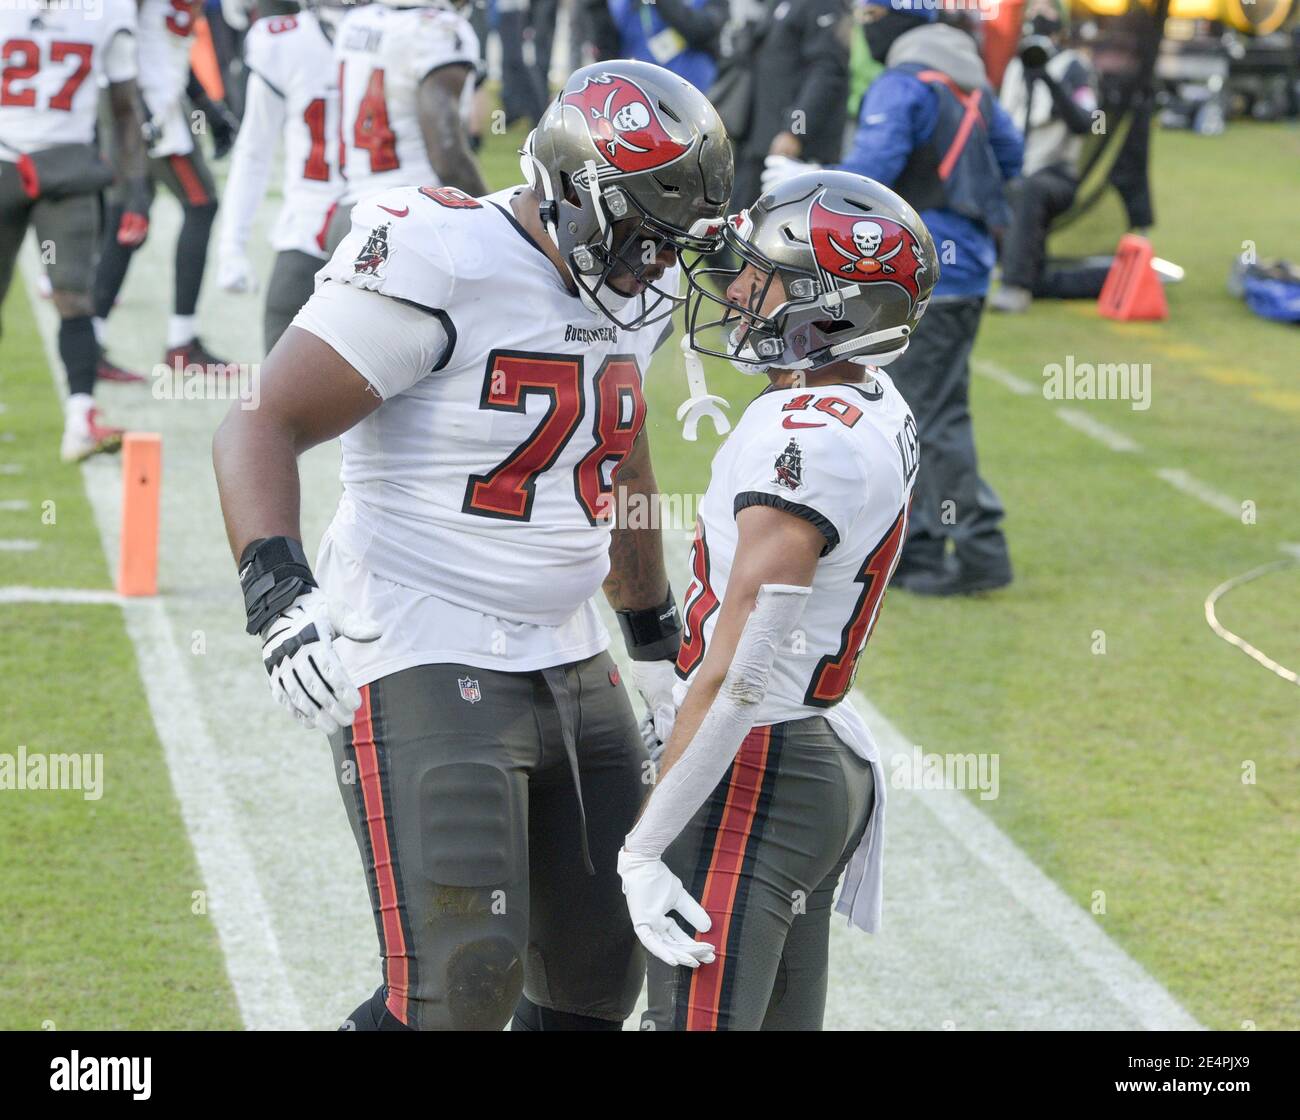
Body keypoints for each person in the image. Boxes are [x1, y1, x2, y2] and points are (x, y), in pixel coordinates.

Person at [212, 60, 733, 1031]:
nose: (657, 267)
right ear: (568, 192)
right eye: (640, 238)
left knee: (600, 970)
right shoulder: (441, 251)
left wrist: (654, 639)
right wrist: (279, 596)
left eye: (673, 245)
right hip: (418, 634)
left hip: (568, 647)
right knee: (460, 983)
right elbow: (259, 422)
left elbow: (615, 450)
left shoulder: (638, 289)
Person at [620, 169, 936, 1030]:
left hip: (756, 766)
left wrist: (644, 848)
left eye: (765, 277)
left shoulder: (811, 443)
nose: (737, 290)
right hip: (804, 756)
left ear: (832, 308)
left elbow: (741, 674)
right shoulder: (858, 400)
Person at [767, 0, 1022, 595]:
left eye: (871, 15)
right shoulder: (972, 82)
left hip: (919, 274)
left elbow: (867, 178)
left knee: (926, 414)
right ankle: (937, 543)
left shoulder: (902, 83)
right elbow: (1011, 158)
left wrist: (804, 183)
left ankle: (966, 548)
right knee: (938, 408)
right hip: (972, 264)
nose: (863, 26)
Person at [0, 0, 149, 461]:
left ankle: (81, 417)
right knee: (72, 297)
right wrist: (137, 189)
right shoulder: (106, 10)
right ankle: (81, 419)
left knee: (73, 294)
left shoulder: (108, 10)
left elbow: (125, 109)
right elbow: (126, 112)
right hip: (47, 163)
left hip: (63, 167)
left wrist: (137, 189)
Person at [94, 0, 237, 379]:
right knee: (199, 204)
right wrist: (137, 118)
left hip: (160, 106)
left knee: (127, 220)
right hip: (144, 113)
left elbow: (168, 47)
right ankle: (181, 345)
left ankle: (90, 341)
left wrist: (206, 104)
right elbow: (117, 48)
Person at [217, 0, 351, 353]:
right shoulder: (414, 34)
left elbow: (253, 152)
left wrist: (233, 245)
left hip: (314, 231)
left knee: (279, 397)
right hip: (378, 232)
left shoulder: (283, 40)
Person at [326, 0, 485, 250]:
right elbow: (447, 154)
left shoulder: (356, 21)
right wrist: (493, 217)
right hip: (411, 219)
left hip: (349, 216)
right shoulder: (438, 30)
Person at [991, 0, 1098, 313]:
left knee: (1029, 189)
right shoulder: (1014, 67)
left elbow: (1087, 121)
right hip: (1014, 171)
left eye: (1047, 11)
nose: (1037, 17)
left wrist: (1049, 81)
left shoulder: (1073, 66)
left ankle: (1015, 287)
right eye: (1032, 11)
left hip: (1055, 175)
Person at [731, 0, 852, 213]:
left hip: (790, 150)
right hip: (758, 139)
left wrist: (795, 131)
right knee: (741, 224)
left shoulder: (824, 5)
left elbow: (826, 73)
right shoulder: (781, 4)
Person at [600, 0, 726, 92]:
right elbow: (606, 46)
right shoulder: (622, 5)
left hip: (691, 90)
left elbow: (701, 29)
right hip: (637, 89)